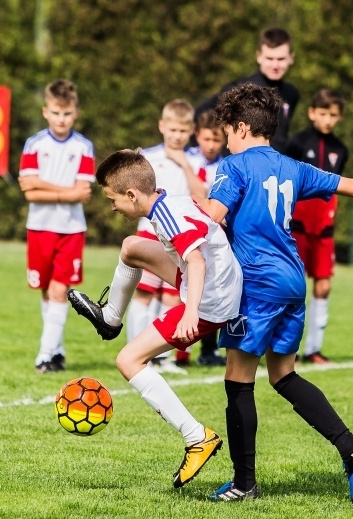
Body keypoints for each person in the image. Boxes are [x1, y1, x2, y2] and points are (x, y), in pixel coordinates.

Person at [202, 83, 353, 502]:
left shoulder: (234, 166)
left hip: (258, 285)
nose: (225, 139)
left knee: (238, 382)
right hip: (293, 282)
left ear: (242, 128)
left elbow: (211, 218)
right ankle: (351, 448)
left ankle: (244, 484)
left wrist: (166, 215)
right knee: (283, 375)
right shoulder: (293, 167)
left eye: (227, 130)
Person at [67, 148, 243, 488]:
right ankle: (111, 319)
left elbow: (197, 262)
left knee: (128, 360)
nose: (112, 207)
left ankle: (197, 437)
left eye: (113, 199)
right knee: (132, 247)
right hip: (214, 284)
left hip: (209, 300)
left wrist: (191, 310)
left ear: (132, 195)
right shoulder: (168, 201)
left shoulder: (167, 215)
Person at [17, 79, 93, 373]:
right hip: (39, 227)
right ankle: (57, 352)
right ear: (45, 112)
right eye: (56, 113)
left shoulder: (83, 147)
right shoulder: (34, 144)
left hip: (71, 229)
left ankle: (44, 355)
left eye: (67, 113)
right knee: (46, 291)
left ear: (76, 113)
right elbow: (28, 191)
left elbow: (83, 192)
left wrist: (43, 187)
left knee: (60, 291)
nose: (61, 119)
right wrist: (65, 193)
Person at [131, 99, 207, 374]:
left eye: (182, 131)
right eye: (172, 129)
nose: (176, 136)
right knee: (144, 294)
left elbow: (203, 195)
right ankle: (136, 350)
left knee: (173, 298)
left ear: (191, 132)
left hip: (180, 242)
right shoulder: (148, 158)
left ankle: (163, 357)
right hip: (150, 236)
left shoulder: (196, 160)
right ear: (162, 126)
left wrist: (184, 164)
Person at [285, 88, 349, 364]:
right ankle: (291, 349)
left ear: (340, 117)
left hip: (323, 229)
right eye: (322, 113)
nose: (327, 119)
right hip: (297, 225)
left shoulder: (341, 150)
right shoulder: (297, 143)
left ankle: (314, 349)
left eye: (333, 114)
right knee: (293, 286)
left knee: (323, 287)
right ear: (311, 113)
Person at [195, 27, 299, 154]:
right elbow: (198, 116)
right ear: (259, 56)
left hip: (275, 168)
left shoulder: (291, 93)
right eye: (270, 59)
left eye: (280, 59)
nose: (275, 65)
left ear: (291, 58)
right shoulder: (240, 90)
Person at [185, 109, 227, 367]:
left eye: (216, 140)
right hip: (187, 234)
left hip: (214, 236)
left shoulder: (225, 166)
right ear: (197, 135)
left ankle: (208, 349)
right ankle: (177, 351)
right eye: (207, 139)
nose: (211, 146)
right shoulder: (186, 160)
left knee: (214, 290)